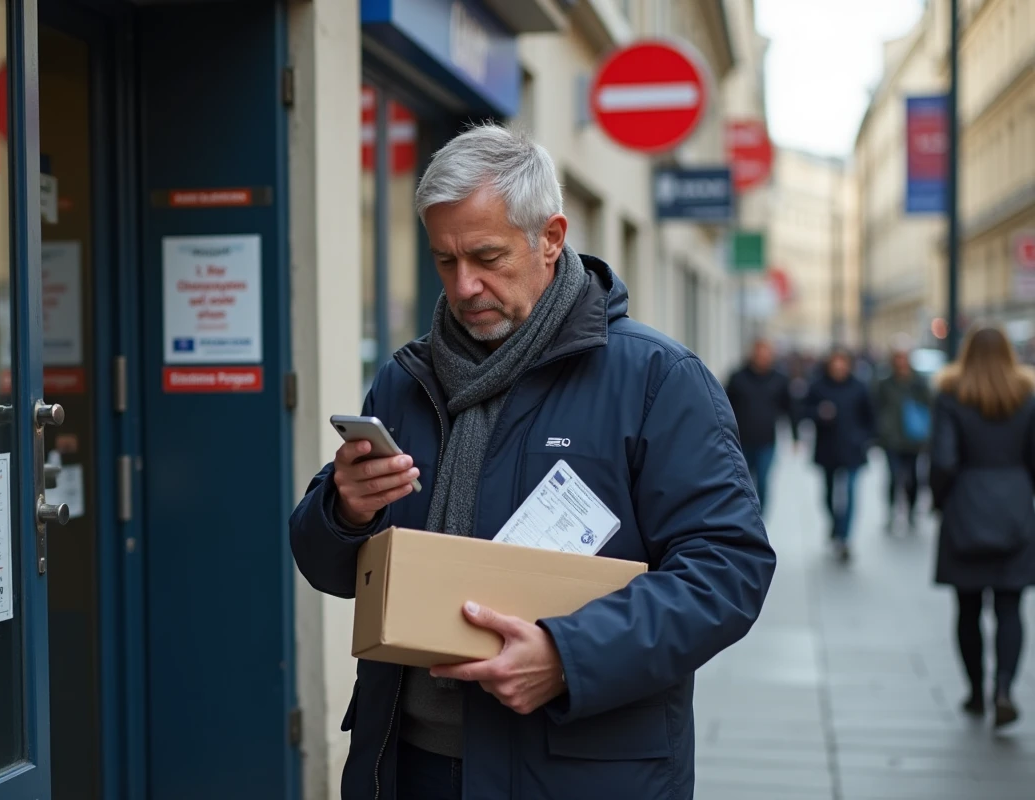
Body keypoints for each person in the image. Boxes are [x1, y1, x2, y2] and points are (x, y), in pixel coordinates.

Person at [289, 123, 776, 800]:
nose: (464, 287)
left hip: (576, 770)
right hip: (407, 765)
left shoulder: (657, 380)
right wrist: (343, 509)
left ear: (550, 238)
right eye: (444, 261)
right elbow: (325, 565)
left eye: (487, 257)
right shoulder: (407, 379)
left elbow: (728, 570)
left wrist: (569, 657)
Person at [930, 326, 1035, 729]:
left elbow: (942, 460)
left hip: (965, 508)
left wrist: (941, 501)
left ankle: (975, 692)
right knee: (1010, 607)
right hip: (1015, 510)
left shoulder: (952, 395)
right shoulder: (1025, 396)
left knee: (968, 608)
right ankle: (1004, 688)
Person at [804, 348, 876, 562]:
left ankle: (844, 537)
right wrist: (819, 413)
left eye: (842, 363)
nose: (839, 367)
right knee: (828, 493)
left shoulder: (859, 386)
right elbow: (804, 410)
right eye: (835, 363)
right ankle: (835, 524)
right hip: (828, 449)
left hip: (853, 450)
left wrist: (862, 438)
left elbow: (871, 418)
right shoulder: (818, 386)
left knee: (851, 493)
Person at [725, 338, 800, 514]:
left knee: (763, 480)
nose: (762, 358)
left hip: (767, 441)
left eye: (766, 354)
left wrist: (795, 436)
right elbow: (724, 406)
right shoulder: (738, 378)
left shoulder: (779, 379)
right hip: (740, 440)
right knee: (742, 480)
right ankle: (743, 513)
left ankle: (759, 515)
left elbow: (790, 409)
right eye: (759, 353)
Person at [873, 343, 933, 532]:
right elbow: (876, 407)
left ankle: (911, 511)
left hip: (913, 438)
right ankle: (891, 512)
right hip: (892, 438)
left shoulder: (919, 382)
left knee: (913, 477)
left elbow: (929, 406)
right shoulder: (884, 382)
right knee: (893, 476)